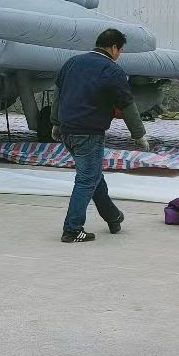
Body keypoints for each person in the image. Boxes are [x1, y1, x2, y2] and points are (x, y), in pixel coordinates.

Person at [55, 27, 140, 244]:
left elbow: (58, 94)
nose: (119, 55)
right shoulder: (112, 70)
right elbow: (127, 104)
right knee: (87, 179)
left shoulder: (71, 63)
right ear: (113, 48)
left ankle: (113, 217)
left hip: (67, 132)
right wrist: (139, 134)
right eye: (120, 50)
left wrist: (55, 123)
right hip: (88, 133)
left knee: (93, 176)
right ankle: (72, 230)